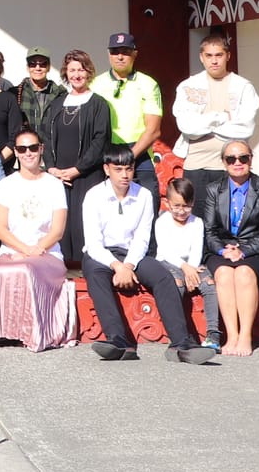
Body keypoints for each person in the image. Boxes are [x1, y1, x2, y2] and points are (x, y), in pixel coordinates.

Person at [79, 145, 202, 362]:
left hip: (133, 254)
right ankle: (118, 340)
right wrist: (117, 266)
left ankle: (181, 344)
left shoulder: (143, 195)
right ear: (107, 169)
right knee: (95, 274)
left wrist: (128, 265)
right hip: (102, 254)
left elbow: (142, 237)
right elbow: (93, 242)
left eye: (129, 168)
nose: (125, 175)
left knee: (163, 276)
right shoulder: (94, 196)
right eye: (118, 169)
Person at [0, 128, 74, 351]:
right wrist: (24, 249)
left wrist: (36, 249)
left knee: (27, 269)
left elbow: (57, 230)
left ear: (41, 149)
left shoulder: (53, 184)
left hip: (47, 253)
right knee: (0, 271)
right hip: (11, 250)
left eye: (33, 148)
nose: (28, 153)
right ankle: (3, 332)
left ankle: (33, 333)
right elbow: (0, 229)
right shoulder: (6, 184)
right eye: (22, 149)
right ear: (15, 152)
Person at [199, 135, 259, 356]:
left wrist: (244, 251)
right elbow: (209, 230)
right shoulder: (213, 190)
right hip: (223, 248)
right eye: (231, 159)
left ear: (251, 159)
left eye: (243, 158)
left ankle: (246, 334)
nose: (237, 163)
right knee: (225, 274)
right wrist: (223, 250)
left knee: (244, 273)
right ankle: (232, 334)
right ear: (224, 162)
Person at [173, 32, 259, 200]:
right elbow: (187, 127)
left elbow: (245, 129)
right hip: (196, 165)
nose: (214, 61)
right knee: (198, 220)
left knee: (228, 220)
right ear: (201, 57)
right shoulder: (188, 86)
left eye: (219, 55)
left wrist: (204, 123)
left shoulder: (243, 87)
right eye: (209, 56)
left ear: (228, 55)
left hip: (231, 164)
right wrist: (221, 117)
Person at [40, 50, 111, 259]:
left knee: (83, 221)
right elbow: (45, 136)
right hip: (57, 175)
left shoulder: (98, 104)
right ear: (65, 73)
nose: (76, 74)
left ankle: (85, 266)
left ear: (88, 72)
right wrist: (52, 168)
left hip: (86, 175)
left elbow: (101, 140)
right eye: (72, 70)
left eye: (81, 69)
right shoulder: (57, 103)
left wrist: (77, 170)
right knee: (60, 220)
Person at [149, 176, 221, 353]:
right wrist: (185, 268)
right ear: (167, 203)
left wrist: (192, 269)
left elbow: (197, 249)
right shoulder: (162, 222)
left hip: (193, 265)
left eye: (186, 206)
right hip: (169, 262)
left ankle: (213, 333)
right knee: (176, 285)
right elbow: (165, 251)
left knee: (210, 285)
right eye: (177, 206)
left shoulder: (197, 223)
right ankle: (181, 333)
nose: (181, 211)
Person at [98, 32, 164, 194]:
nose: (120, 56)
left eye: (125, 51)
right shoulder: (95, 84)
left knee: (148, 205)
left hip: (139, 153)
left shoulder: (148, 84)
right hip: (106, 153)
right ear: (108, 54)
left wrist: (128, 157)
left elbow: (153, 130)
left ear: (135, 53)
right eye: (115, 52)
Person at [14, 47, 66, 136]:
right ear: (27, 67)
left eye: (43, 64)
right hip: (26, 148)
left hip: (51, 147)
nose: (38, 68)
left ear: (49, 67)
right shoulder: (15, 94)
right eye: (32, 64)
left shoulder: (61, 94)